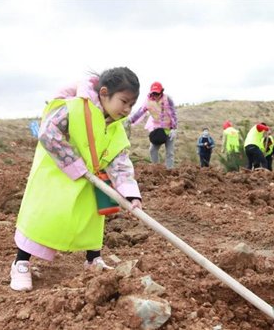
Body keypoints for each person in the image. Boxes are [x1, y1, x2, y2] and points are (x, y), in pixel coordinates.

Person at [10, 67, 143, 291]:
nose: (128, 109)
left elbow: (119, 158)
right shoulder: (74, 108)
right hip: (57, 176)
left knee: (91, 217)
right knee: (44, 217)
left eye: (132, 104)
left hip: (89, 180)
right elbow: (48, 133)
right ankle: (21, 263)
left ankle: (93, 260)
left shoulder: (117, 126)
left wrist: (130, 192)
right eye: (124, 101)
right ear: (104, 93)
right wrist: (75, 165)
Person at [126, 82, 177, 168]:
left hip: (169, 130)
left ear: (161, 92)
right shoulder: (148, 101)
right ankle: (156, 168)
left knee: (169, 153)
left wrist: (174, 128)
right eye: (154, 93)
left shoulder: (167, 99)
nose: (155, 95)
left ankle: (170, 171)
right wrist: (131, 119)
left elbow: (173, 113)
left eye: (157, 93)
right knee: (153, 150)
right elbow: (141, 111)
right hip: (158, 131)